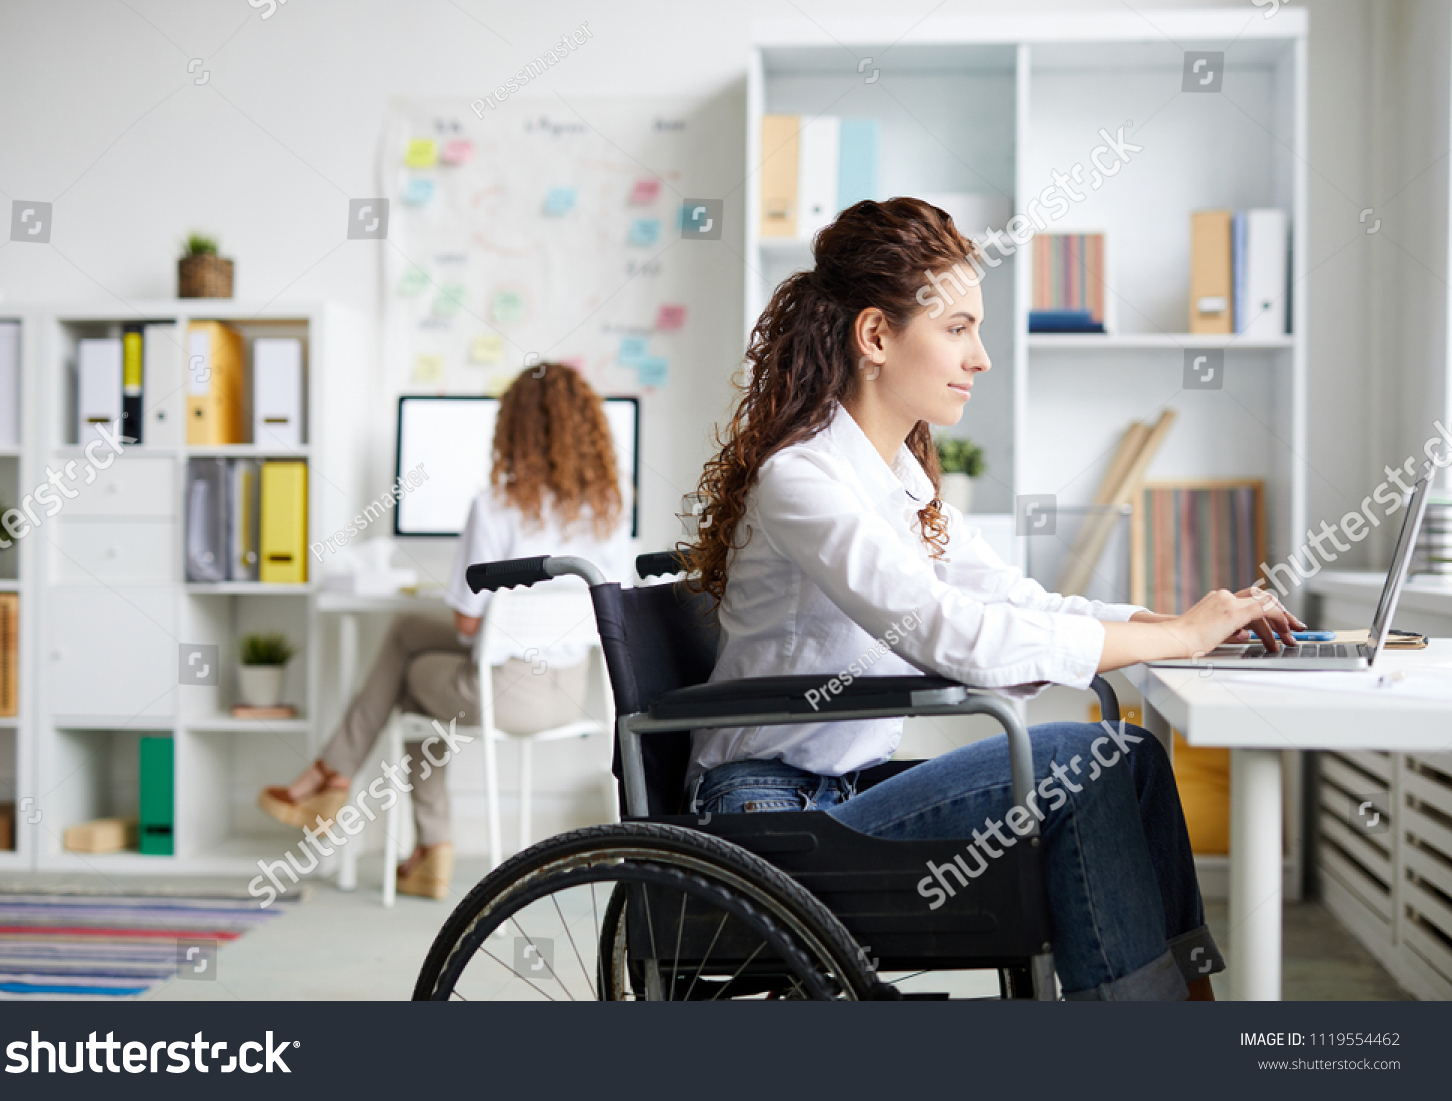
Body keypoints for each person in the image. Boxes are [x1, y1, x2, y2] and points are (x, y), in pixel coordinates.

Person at [680, 198, 1305, 1000]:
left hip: (847, 792)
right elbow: (953, 635)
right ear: (876, 336)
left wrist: (1170, 622)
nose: (980, 357)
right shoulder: (803, 479)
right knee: (1093, 759)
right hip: (772, 817)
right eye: (958, 328)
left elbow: (1011, 598)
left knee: (1137, 758)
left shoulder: (898, 481)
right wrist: (1176, 640)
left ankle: (1181, 1012)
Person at [260, 363, 631, 899]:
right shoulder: (609, 510)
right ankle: (368, 806)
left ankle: (384, 814)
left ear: (514, 431)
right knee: (409, 629)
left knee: (409, 677)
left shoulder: (497, 504)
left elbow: (464, 620)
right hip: (570, 695)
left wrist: (486, 626)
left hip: (505, 696)